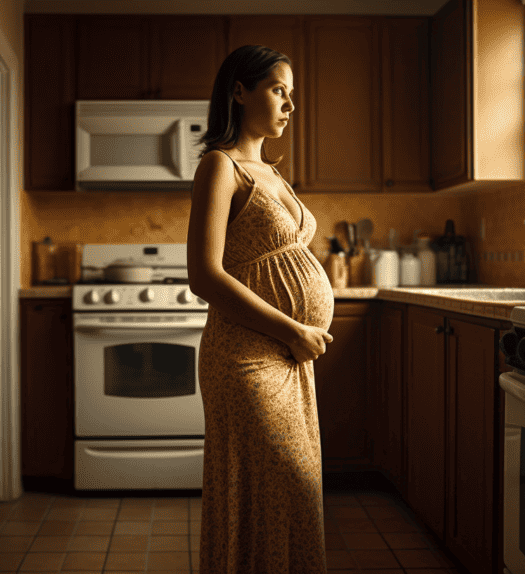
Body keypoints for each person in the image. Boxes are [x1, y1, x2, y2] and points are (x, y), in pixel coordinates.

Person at [187, 44, 334, 574]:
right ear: (239, 90)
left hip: (290, 357)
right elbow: (204, 274)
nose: (290, 105)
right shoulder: (220, 166)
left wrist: (297, 335)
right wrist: (293, 328)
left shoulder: (272, 171)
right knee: (281, 483)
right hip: (247, 357)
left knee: (290, 496)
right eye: (278, 90)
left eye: (291, 94)